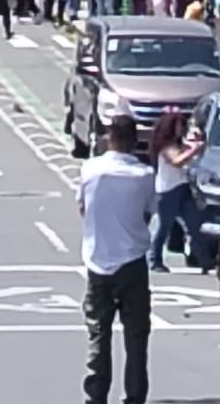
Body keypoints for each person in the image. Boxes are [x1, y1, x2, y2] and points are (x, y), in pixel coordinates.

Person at [77, 113, 155, 404]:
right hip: (132, 261)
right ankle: (134, 396)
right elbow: (148, 213)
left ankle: (96, 395)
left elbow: (83, 208)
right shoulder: (144, 175)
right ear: (134, 142)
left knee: (98, 331)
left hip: (98, 260)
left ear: (109, 137)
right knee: (136, 336)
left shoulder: (91, 170)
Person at [147, 111, 210, 273]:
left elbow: (193, 156)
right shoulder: (166, 147)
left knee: (195, 225)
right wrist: (195, 149)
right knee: (163, 227)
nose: (183, 129)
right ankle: (154, 260)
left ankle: (206, 261)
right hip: (167, 191)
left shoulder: (180, 144)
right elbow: (177, 161)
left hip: (182, 188)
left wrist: (197, 144)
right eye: (180, 125)